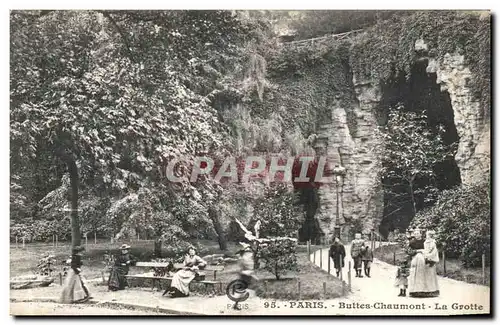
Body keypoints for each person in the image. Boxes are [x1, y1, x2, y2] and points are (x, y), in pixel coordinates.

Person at [407, 229, 440, 297]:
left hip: (426, 258)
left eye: (417, 233)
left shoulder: (425, 241)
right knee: (417, 273)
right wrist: (417, 251)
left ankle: (429, 291)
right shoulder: (412, 242)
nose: (416, 235)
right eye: (415, 234)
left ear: (421, 234)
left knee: (428, 273)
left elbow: (431, 249)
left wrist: (428, 256)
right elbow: (409, 252)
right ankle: (416, 291)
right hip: (416, 259)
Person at [232, 243, 257, 310]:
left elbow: (249, 267)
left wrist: (251, 273)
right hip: (244, 276)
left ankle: (237, 303)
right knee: (243, 290)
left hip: (247, 275)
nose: (249, 253)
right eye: (247, 251)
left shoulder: (247, 258)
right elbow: (240, 270)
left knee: (251, 287)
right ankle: (236, 304)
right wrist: (247, 272)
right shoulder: (242, 259)